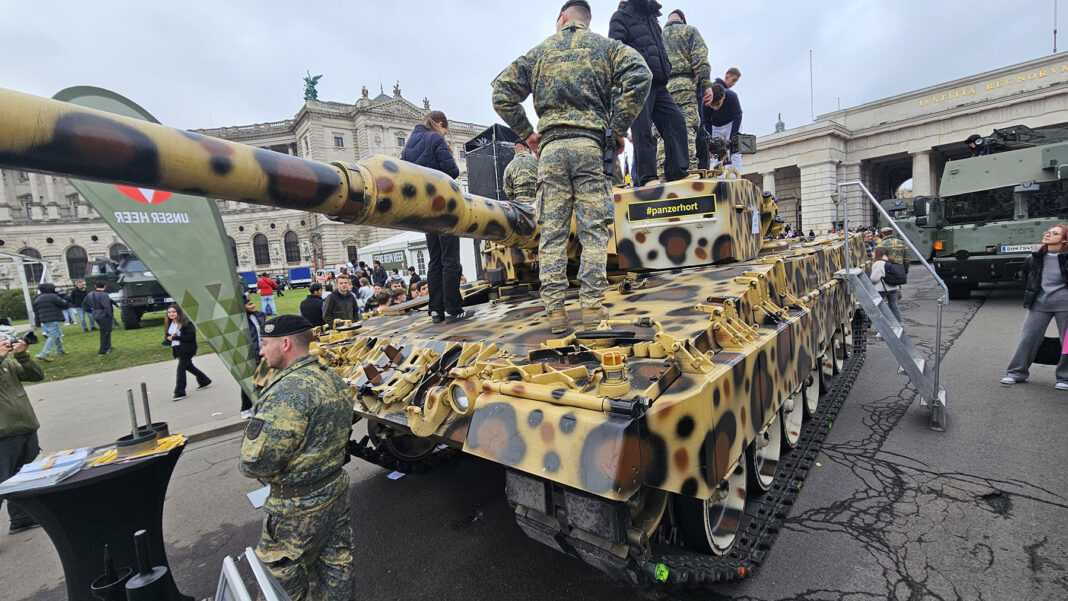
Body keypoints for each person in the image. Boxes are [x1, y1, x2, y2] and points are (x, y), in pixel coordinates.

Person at [493, 0, 651, 333]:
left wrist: (528, 134)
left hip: (550, 151)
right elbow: (641, 75)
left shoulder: (540, 52)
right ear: (586, 21)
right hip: (590, 148)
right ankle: (592, 310)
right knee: (594, 232)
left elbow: (502, 92)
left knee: (551, 234)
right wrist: (618, 128)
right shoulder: (605, 48)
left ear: (562, 18)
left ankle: (555, 314)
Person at [238, 315, 354, 601]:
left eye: (265, 344)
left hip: (295, 509)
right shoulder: (332, 378)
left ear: (286, 343)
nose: (262, 352)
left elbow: (254, 462)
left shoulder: (286, 394)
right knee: (337, 570)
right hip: (334, 493)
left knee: (279, 585)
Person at [400, 110, 473, 324]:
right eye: (445, 130)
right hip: (442, 205)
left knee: (435, 260)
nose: (444, 133)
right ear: (441, 124)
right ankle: (453, 309)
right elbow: (452, 170)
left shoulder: (409, 145)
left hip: (423, 209)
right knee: (450, 259)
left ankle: (436, 310)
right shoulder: (435, 138)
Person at [609, 0, 687, 186]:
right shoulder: (621, 17)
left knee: (676, 121)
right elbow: (614, 50)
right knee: (642, 129)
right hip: (637, 83)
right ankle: (647, 178)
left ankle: (677, 172)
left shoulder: (652, 18)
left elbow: (659, 47)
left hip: (659, 83)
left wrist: (665, 67)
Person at [1001, 225, 1068, 389]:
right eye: (1048, 232)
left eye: (1055, 233)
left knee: (1066, 342)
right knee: (1028, 338)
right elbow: (1027, 279)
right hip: (1038, 304)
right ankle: (1016, 373)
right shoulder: (1034, 257)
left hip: (1065, 305)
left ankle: (1064, 378)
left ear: (1064, 240)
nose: (1048, 235)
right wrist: (1030, 296)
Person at [0, 333, 44, 534]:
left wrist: (23, 356)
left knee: (24, 477)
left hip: (25, 427)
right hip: (3, 435)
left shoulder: (8, 363)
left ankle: (21, 518)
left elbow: (36, 375)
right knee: (2, 482)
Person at [660, 9, 712, 172]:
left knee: (664, 131)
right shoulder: (689, 31)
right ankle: (688, 169)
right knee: (687, 127)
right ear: (682, 20)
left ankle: (661, 171)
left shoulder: (658, 36)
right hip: (685, 85)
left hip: (663, 89)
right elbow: (700, 59)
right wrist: (706, 85)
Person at [163, 304, 211, 401]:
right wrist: (168, 339)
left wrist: (175, 337)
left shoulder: (186, 323)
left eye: (173, 312)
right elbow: (168, 336)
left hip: (188, 349)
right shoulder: (170, 324)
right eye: (169, 312)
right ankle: (204, 380)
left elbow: (190, 337)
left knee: (180, 370)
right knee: (189, 366)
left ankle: (179, 392)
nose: (171, 314)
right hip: (178, 349)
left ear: (178, 312)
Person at [705, 67, 743, 172]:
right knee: (717, 151)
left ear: (723, 97)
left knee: (735, 151)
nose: (716, 108)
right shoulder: (706, 102)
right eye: (713, 105)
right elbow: (706, 123)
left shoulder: (732, 96)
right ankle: (718, 175)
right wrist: (710, 142)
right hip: (715, 126)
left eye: (718, 104)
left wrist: (732, 138)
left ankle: (735, 175)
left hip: (731, 123)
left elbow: (738, 117)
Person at [240, 298, 266, 420]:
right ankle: (245, 408)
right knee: (249, 382)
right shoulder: (241, 320)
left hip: (263, 353)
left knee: (264, 380)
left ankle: (262, 404)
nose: (253, 305)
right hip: (250, 355)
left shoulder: (259, 315)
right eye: (249, 304)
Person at [32, 283, 68, 362]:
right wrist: (65, 298)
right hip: (53, 318)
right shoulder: (52, 297)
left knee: (57, 334)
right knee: (53, 335)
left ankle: (60, 350)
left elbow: (36, 311)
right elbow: (63, 304)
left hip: (45, 319)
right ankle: (44, 354)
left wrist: (37, 323)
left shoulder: (37, 298)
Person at [869, 247, 904, 326]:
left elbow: (874, 278)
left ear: (878, 253)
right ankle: (899, 322)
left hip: (882, 288)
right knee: (894, 306)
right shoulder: (891, 261)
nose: (872, 253)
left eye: (874, 252)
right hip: (893, 287)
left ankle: (884, 324)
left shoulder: (878, 263)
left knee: (880, 307)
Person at [82, 280, 116, 355]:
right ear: (104, 286)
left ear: (95, 286)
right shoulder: (104, 295)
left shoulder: (90, 294)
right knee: (105, 332)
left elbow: (84, 305)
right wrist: (109, 314)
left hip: (95, 313)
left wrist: (91, 311)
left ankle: (108, 346)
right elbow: (106, 306)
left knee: (105, 331)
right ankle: (103, 350)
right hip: (103, 314)